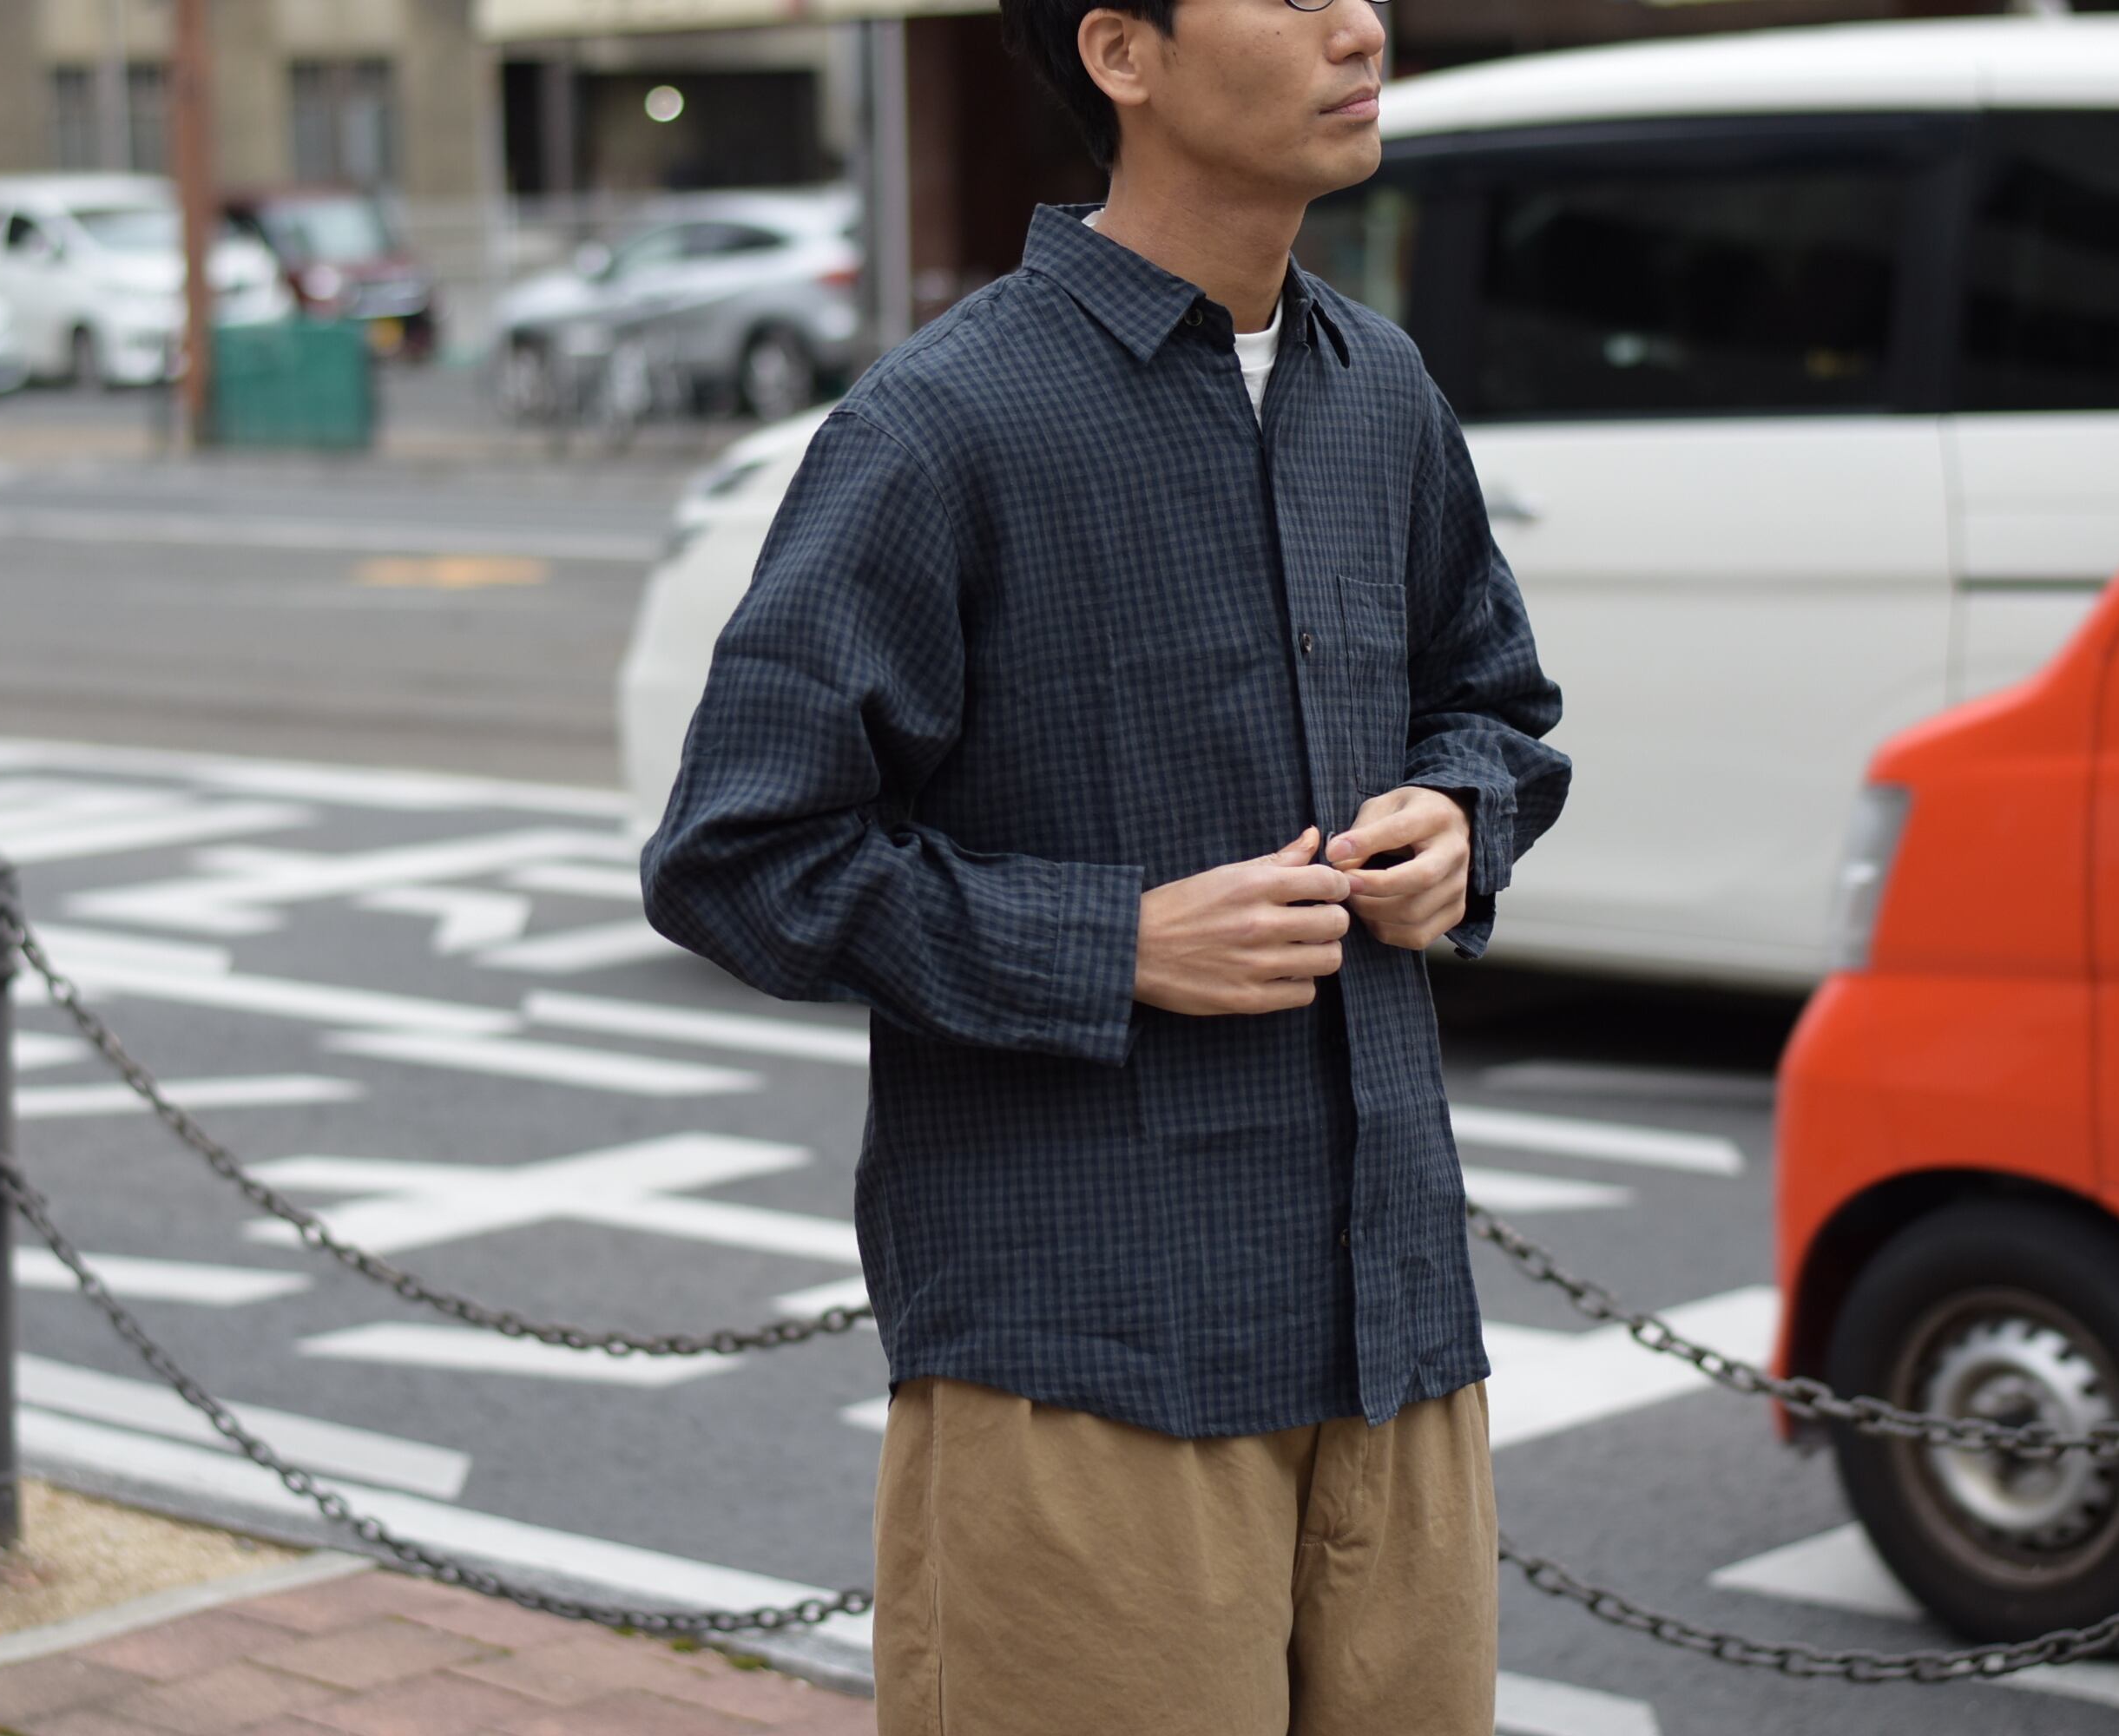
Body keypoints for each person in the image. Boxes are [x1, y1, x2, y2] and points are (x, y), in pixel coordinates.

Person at [639, 0, 1570, 1723]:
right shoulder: (943, 423)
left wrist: (1460, 816)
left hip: (1393, 1338)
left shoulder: (1380, 389)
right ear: (1122, 55)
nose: (1359, 26)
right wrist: (1113, 942)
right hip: (1087, 1357)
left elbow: (1492, 704)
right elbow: (737, 849)